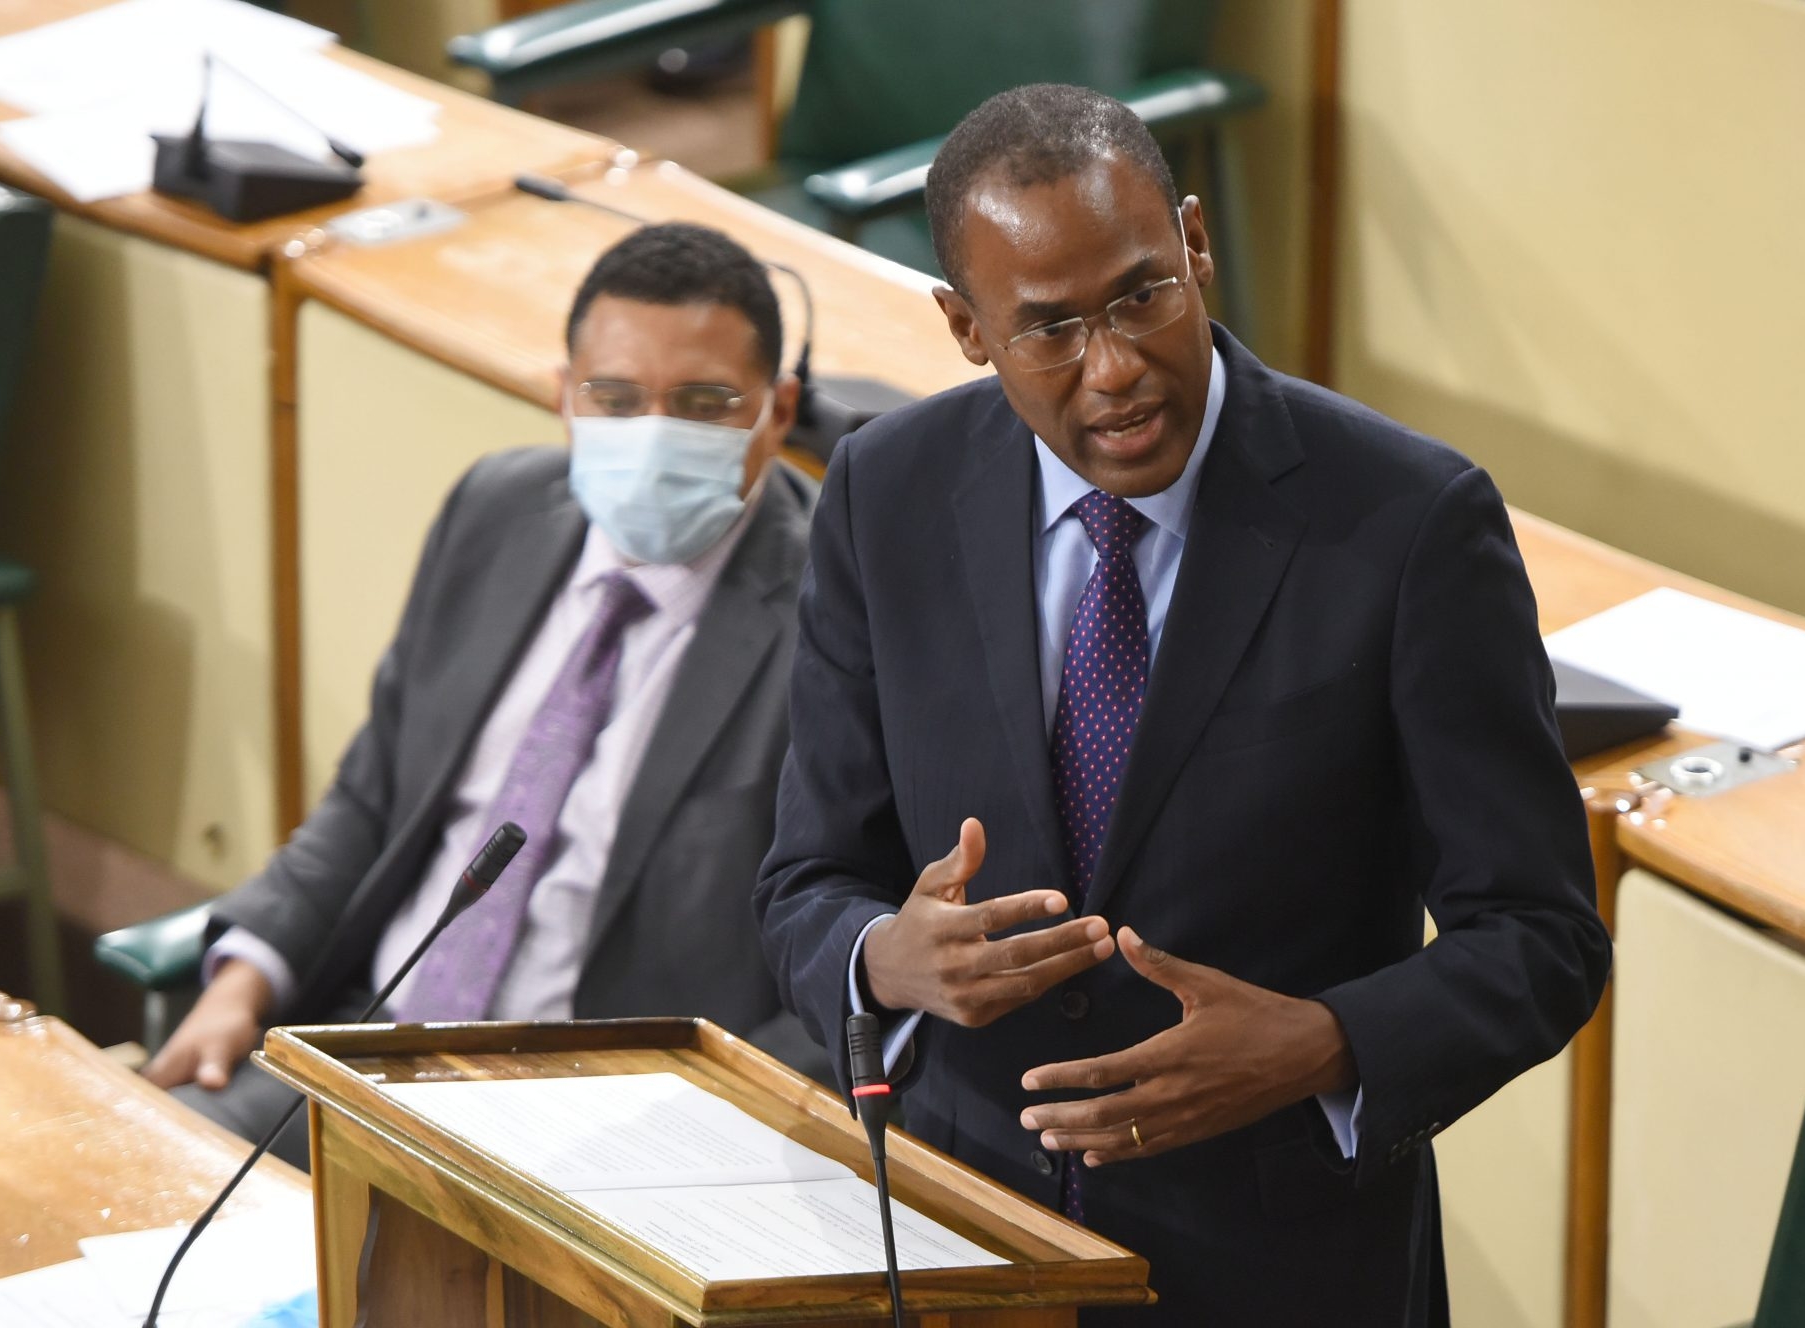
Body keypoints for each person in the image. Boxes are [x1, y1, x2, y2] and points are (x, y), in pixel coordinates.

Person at [754, 85, 1611, 1325]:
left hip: (1281, 1267)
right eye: (1046, 327)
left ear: (1195, 243)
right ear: (963, 326)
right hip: (959, 1240)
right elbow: (803, 883)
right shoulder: (883, 494)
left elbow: (1540, 931)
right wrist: (882, 956)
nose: (1113, 370)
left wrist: (1320, 1042)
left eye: (1142, 294)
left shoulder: (1406, 521)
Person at [147, 223, 824, 1167]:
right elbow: (372, 798)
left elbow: (841, 960)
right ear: (561, 395)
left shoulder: (838, 615)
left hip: (602, 1133)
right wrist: (242, 981)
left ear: (778, 410)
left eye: (704, 404)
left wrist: (683, 1143)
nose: (652, 434)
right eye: (616, 399)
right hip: (366, 1050)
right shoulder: (496, 509)